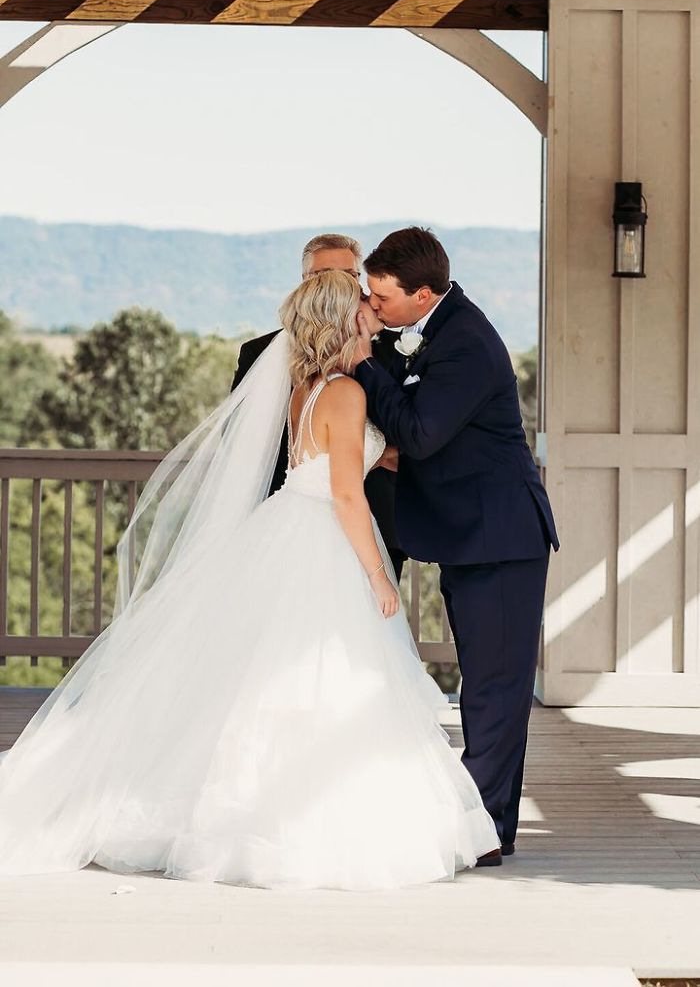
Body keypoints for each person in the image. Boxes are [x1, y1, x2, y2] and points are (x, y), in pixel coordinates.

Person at [0, 270, 499, 890]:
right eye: (364, 308)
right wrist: (378, 573)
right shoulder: (345, 393)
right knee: (318, 680)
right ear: (344, 322)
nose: (373, 314)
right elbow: (347, 494)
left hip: (288, 525)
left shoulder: (308, 388)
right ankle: (291, 821)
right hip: (322, 536)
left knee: (267, 678)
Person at [352, 227, 560, 867]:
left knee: (494, 690)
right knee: (482, 689)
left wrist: (359, 363)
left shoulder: (466, 342)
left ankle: (487, 834)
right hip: (470, 536)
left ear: (421, 295)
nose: (376, 308)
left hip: (499, 538)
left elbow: (418, 433)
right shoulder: (430, 331)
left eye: (382, 298)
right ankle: (480, 824)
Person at [232, 232, 407, 581]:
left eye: (348, 276)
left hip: (380, 522)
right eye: (324, 276)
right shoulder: (260, 355)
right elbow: (243, 439)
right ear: (305, 283)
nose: (338, 285)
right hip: (296, 525)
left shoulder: (395, 351)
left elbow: (409, 428)